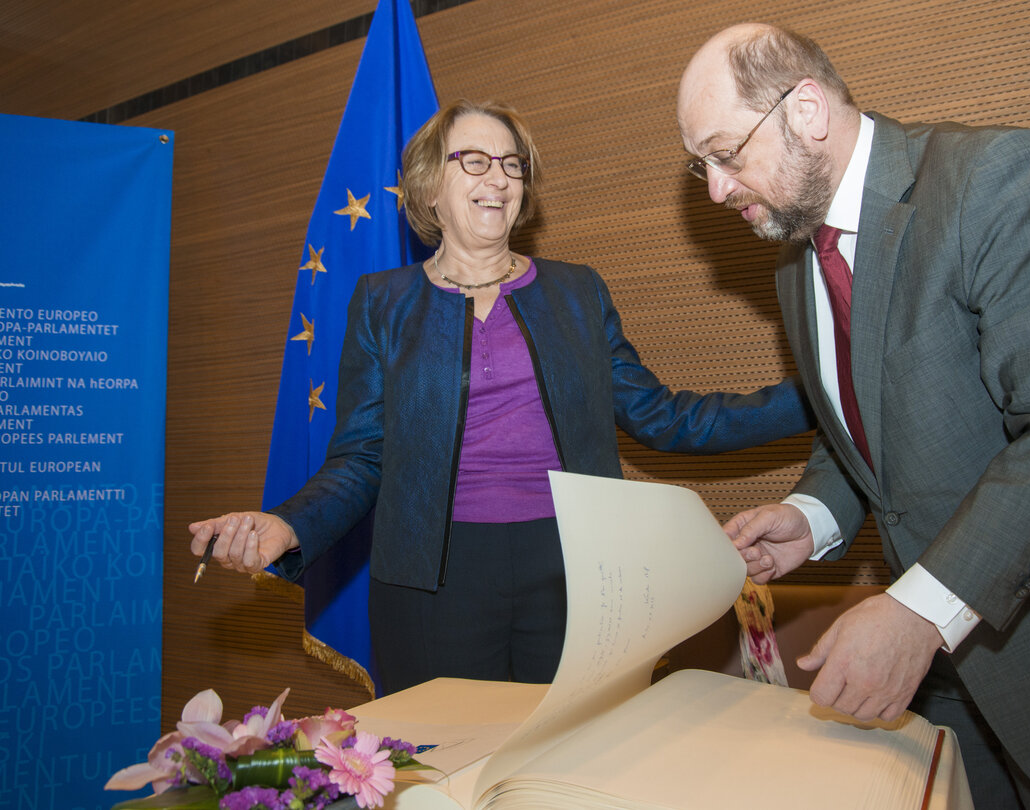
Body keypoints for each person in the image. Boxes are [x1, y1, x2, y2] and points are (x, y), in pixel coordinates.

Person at [677, 23, 1030, 810]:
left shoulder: (997, 177)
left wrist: (917, 614)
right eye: (703, 168)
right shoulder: (796, 258)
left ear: (806, 111)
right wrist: (813, 513)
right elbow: (870, 428)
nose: (717, 189)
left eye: (727, 153)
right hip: (962, 682)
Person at [188, 99, 813, 695]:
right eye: (476, 160)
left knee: (568, 764)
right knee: (447, 770)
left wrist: (822, 398)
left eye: (513, 163)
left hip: (575, 569)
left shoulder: (577, 292)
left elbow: (666, 419)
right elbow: (361, 457)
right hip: (431, 580)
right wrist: (288, 524)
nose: (500, 177)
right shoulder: (382, 302)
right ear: (432, 186)